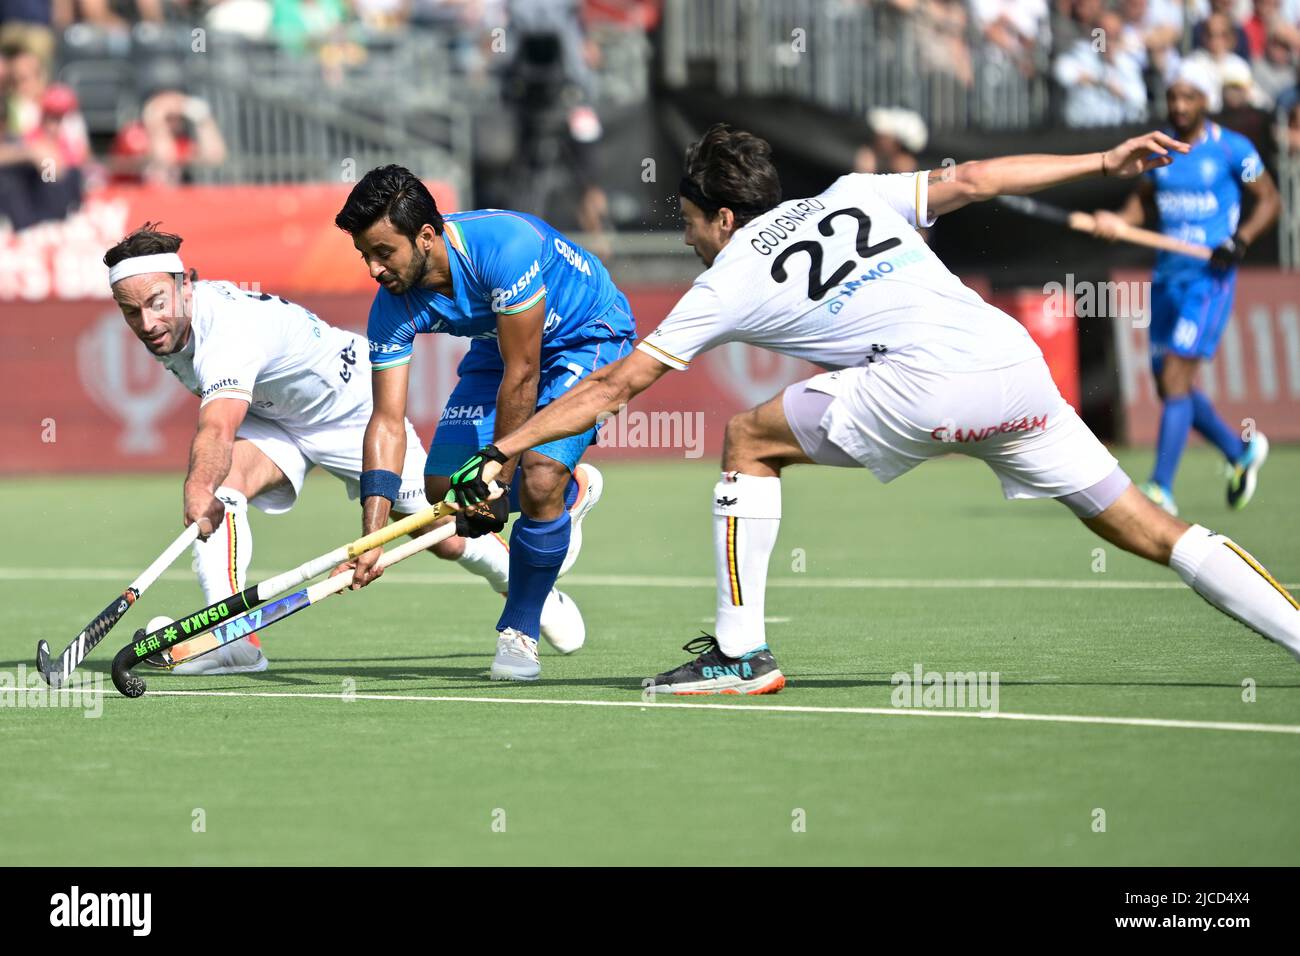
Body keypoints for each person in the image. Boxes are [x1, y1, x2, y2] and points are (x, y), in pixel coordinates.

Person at [446, 123, 1300, 695]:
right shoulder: (853, 192)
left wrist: (507, 448)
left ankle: (742, 654)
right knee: (1151, 530)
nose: (687, 236)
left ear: (727, 216)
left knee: (748, 437)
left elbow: (610, 388)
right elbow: (974, 179)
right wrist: (1102, 163)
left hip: (926, 383)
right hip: (1013, 365)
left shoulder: (729, 275)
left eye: (693, 221)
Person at [104, 224, 586, 675]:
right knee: (226, 490)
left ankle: (534, 588)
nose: (147, 322)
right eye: (132, 312)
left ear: (185, 285)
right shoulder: (172, 326)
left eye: (156, 302)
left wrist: (196, 482)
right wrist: (209, 485)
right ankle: (234, 640)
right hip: (279, 419)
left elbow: (217, 426)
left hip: (352, 409)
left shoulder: (226, 332)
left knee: (445, 533)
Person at [334, 166, 635, 682]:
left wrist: (495, 481)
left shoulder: (503, 247)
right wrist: (372, 534)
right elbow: (386, 421)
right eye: (365, 254)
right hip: (502, 346)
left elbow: (525, 375)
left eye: (384, 252)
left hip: (588, 337)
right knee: (442, 488)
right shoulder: (392, 306)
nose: (373, 269)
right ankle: (567, 495)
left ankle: (519, 632)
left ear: (426, 236)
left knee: (535, 474)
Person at [1093, 60, 1280, 516]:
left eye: (1188, 97)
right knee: (1165, 383)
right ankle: (1239, 451)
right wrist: (1118, 222)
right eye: (1173, 96)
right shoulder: (1160, 151)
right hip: (1167, 278)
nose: (1178, 106)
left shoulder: (1236, 152)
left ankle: (1160, 488)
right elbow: (1140, 204)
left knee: (1177, 377)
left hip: (1208, 281)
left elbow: (1269, 200)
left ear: (1206, 100)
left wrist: (1241, 240)